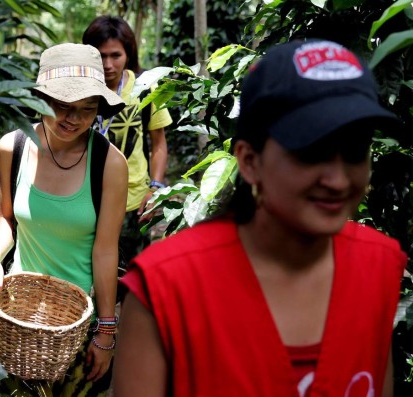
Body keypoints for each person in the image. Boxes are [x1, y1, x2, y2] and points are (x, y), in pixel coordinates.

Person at [113, 39, 407, 396]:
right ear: (250, 161)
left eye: (355, 150)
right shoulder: (164, 291)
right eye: (311, 152)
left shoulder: (378, 265)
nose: (338, 179)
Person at [0, 43, 128, 396]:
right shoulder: (12, 147)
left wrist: (106, 332)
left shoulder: (109, 165)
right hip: (19, 321)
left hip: (79, 324)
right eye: (62, 107)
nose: (73, 119)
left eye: (87, 110)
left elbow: (106, 251)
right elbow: (7, 219)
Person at [83, 16, 173, 264]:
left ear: (128, 54)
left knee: (130, 273)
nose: (108, 64)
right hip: (84, 197)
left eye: (115, 55)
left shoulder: (144, 88)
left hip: (132, 201)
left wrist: (155, 187)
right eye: (100, 56)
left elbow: (159, 143)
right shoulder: (81, 89)